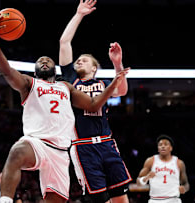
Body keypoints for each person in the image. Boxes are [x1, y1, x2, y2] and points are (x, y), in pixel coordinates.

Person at [0, 11, 129, 203]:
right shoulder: (40, 83)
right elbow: (8, 70)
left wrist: (115, 76)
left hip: (73, 148)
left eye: (48, 60)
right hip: (56, 144)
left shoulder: (67, 86)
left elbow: (103, 100)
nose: (44, 60)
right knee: (17, 152)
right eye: (40, 61)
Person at [59, 0, 132, 202]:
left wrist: (118, 63)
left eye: (84, 60)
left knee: (121, 198)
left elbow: (122, 90)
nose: (79, 61)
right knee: (99, 199)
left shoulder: (103, 83)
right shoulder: (70, 79)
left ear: (94, 68)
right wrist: (79, 15)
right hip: (83, 146)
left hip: (107, 143)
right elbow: (64, 43)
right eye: (77, 60)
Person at [136, 134, 190, 203]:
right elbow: (138, 182)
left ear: (171, 148)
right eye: (160, 145)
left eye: (166, 144)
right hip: (155, 200)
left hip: (173, 200)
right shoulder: (150, 161)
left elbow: (186, 184)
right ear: (158, 148)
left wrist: (184, 188)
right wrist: (146, 177)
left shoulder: (179, 163)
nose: (163, 146)